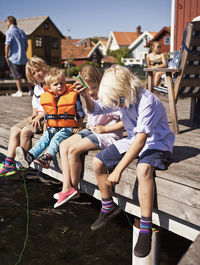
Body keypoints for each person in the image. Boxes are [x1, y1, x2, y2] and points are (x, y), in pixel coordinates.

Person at [80, 65, 175, 258]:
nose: (118, 104)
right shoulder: (120, 96)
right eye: (115, 101)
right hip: (132, 138)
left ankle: (146, 226)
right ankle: (108, 207)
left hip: (157, 140)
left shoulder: (147, 101)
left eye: (119, 100)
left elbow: (142, 140)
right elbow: (96, 108)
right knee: (98, 163)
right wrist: (85, 96)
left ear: (129, 87)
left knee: (143, 170)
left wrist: (118, 170)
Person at [53, 65, 124, 208]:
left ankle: (73, 188)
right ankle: (66, 187)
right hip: (94, 131)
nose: (91, 92)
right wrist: (88, 125)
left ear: (100, 83)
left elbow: (124, 122)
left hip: (107, 134)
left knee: (73, 150)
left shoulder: (110, 98)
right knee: (63, 145)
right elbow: (92, 115)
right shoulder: (88, 97)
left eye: (94, 87)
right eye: (87, 89)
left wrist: (105, 128)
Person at [15, 67, 85, 169]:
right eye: (55, 84)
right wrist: (45, 131)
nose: (60, 86)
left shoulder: (73, 95)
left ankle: (47, 157)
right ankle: (29, 156)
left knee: (56, 139)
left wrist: (79, 127)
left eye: (62, 83)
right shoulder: (47, 97)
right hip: (52, 128)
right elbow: (47, 117)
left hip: (67, 128)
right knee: (43, 139)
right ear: (49, 87)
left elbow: (80, 114)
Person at [0, 56, 48, 176]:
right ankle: (8, 163)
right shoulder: (37, 88)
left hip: (46, 117)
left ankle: (22, 161)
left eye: (39, 70)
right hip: (37, 115)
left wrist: (39, 117)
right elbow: (35, 104)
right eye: (34, 73)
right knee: (14, 129)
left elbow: (54, 107)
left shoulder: (52, 85)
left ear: (45, 68)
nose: (37, 74)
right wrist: (34, 114)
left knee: (25, 131)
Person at [5, 16, 28, 97]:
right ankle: (31, 90)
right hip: (23, 58)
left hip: (14, 58)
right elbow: (26, 46)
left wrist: (6, 56)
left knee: (17, 76)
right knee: (26, 76)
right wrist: (23, 53)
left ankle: (20, 91)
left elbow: (7, 45)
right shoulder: (22, 32)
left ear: (9, 21)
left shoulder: (9, 31)